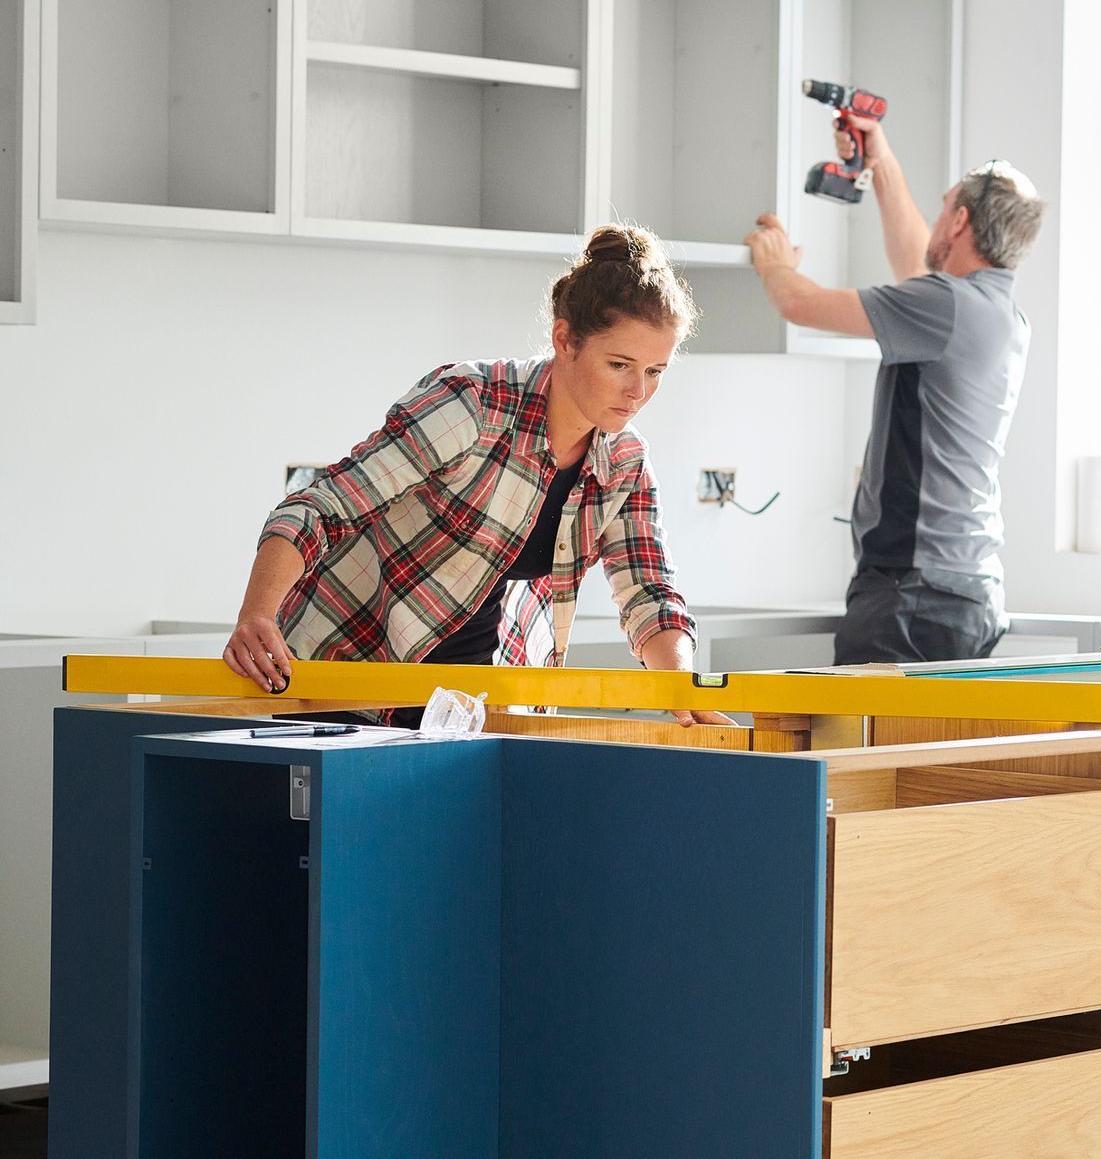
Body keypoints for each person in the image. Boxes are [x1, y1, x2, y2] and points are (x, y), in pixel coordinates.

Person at [223, 224, 728, 727]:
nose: (638, 391)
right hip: (338, 682)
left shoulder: (625, 465)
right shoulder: (471, 404)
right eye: (620, 364)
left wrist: (684, 691)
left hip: (461, 709)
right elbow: (320, 509)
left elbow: (649, 596)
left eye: (655, 371)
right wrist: (257, 616)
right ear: (564, 339)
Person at [745, 117, 1045, 665]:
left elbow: (799, 304)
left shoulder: (945, 305)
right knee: (923, 753)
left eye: (943, 208)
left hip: (913, 595)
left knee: (854, 749)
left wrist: (775, 263)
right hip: (961, 593)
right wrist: (879, 159)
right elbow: (914, 261)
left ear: (958, 221)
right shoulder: (997, 312)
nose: (932, 223)